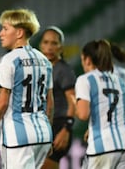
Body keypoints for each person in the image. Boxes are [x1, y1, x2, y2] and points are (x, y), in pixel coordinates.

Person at [0, 8, 54, 169]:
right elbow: (50, 103)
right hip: (43, 133)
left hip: (18, 135)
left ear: (19, 33)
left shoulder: (9, 60)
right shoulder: (45, 61)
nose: (0, 34)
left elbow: (2, 102)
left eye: (5, 28)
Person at [75, 39, 125, 169]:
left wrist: (74, 102)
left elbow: (83, 114)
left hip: (102, 147)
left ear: (87, 60)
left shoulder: (85, 79)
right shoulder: (119, 81)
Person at [38, 26, 76, 169]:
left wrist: (66, 129)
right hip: (43, 125)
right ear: (40, 45)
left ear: (61, 47)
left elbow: (73, 102)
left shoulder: (63, 70)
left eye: (54, 43)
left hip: (59, 126)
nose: (49, 47)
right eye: (46, 42)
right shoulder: (40, 68)